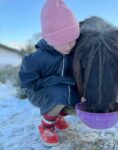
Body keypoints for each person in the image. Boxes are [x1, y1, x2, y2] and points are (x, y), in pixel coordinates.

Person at [19, 0, 80, 147]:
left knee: (72, 98)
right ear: (51, 40)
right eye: (64, 41)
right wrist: (56, 81)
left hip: (62, 90)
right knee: (58, 93)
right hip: (39, 92)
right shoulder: (36, 59)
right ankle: (46, 127)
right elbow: (28, 82)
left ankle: (56, 117)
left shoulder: (71, 53)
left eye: (73, 40)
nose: (69, 46)